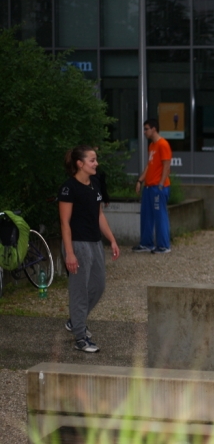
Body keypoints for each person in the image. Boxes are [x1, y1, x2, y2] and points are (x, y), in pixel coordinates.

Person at [58, 145, 120, 353]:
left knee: (98, 286)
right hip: (77, 243)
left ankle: (75, 320)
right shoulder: (69, 188)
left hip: (94, 242)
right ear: (80, 164)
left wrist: (111, 239)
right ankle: (80, 337)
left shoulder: (95, 183)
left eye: (96, 159)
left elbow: (99, 215)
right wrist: (70, 253)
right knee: (79, 290)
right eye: (92, 160)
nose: (96, 163)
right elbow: (65, 224)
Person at [133, 118, 173, 254]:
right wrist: (140, 180)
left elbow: (167, 166)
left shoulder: (163, 144)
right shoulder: (152, 146)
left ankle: (163, 246)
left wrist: (161, 184)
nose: (144, 132)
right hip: (149, 187)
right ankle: (146, 243)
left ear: (154, 129)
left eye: (146, 129)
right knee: (146, 215)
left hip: (158, 187)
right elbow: (149, 166)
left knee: (160, 216)